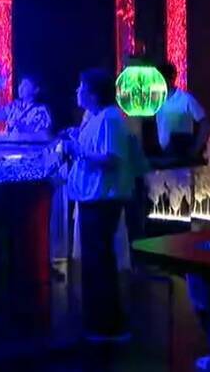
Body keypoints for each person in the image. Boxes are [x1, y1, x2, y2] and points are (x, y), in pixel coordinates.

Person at [63, 68, 148, 342]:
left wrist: (78, 150)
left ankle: (109, 325)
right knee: (95, 261)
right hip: (93, 198)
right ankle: (97, 321)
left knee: (100, 262)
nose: (77, 92)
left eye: (81, 87)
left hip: (103, 199)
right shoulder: (97, 117)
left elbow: (112, 158)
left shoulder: (111, 118)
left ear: (94, 93)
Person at [154, 61, 210, 161]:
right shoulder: (156, 101)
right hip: (163, 154)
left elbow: (205, 125)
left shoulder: (185, 99)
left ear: (171, 79)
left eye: (163, 79)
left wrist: (195, 149)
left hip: (181, 154)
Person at [0, 72, 52, 136]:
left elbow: (43, 134)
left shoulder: (41, 110)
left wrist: (19, 125)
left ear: (36, 90)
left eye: (25, 85)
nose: (21, 87)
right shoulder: (14, 106)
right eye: (20, 84)